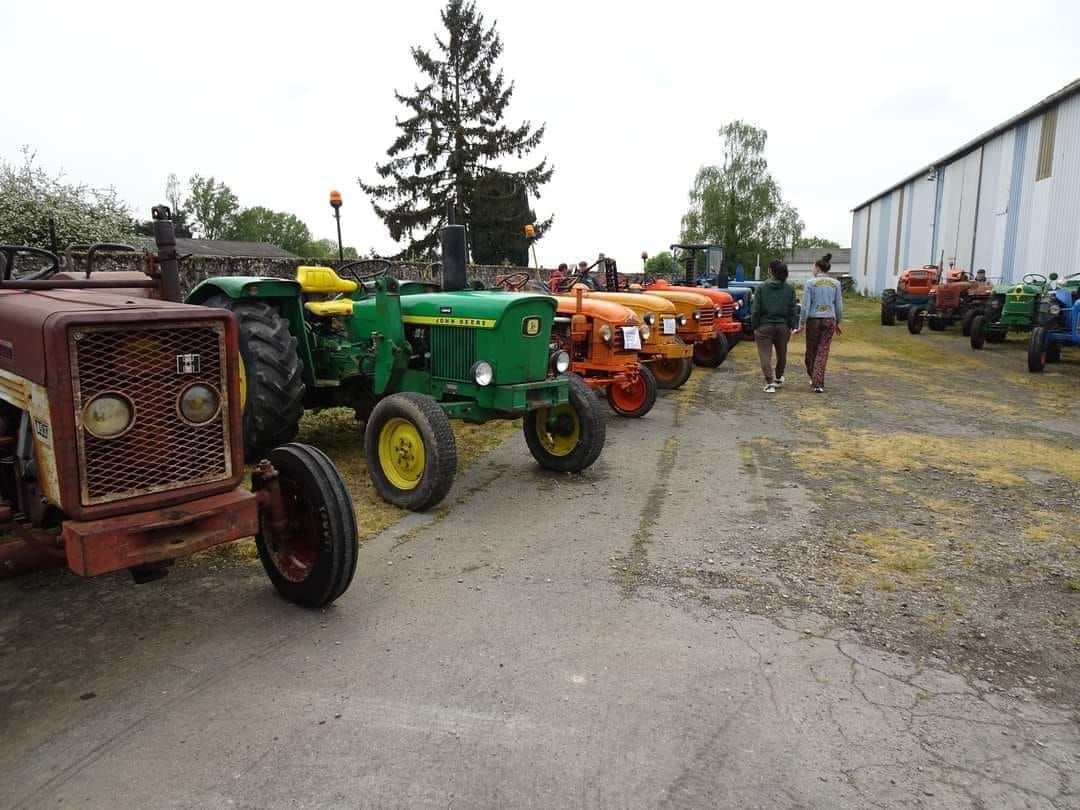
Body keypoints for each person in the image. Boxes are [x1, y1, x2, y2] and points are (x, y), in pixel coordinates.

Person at [794, 253, 843, 393]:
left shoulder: (810, 283)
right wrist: (838, 321)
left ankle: (814, 378)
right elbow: (838, 305)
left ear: (817, 268)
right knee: (823, 351)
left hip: (813, 319)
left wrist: (801, 323)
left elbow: (805, 306)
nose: (812, 270)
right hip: (829, 319)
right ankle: (818, 381)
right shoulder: (836, 284)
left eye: (813, 268)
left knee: (811, 350)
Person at [751, 259, 798, 394]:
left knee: (765, 355)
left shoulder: (762, 287)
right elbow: (792, 309)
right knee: (782, 353)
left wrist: (754, 325)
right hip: (783, 326)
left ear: (771, 271)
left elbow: (756, 310)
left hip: (764, 326)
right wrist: (791, 325)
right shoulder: (789, 288)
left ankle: (769, 382)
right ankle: (778, 377)